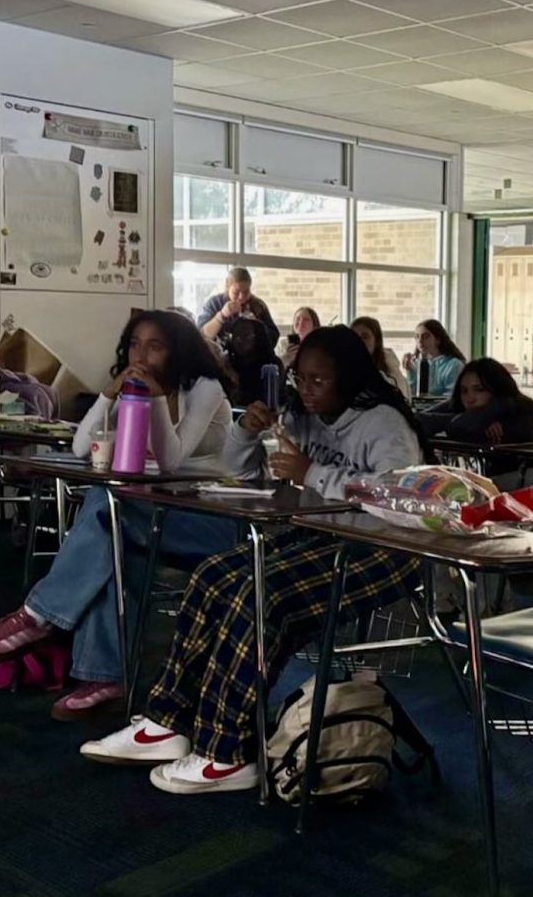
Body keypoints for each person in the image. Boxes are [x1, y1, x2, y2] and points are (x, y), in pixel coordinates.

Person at [77, 326, 426, 794]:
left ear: (349, 379)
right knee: (213, 577)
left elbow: (397, 495)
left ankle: (227, 752)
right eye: (300, 378)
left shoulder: (382, 423)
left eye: (318, 381)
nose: (306, 390)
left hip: (384, 548)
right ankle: (168, 721)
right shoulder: (301, 416)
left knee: (257, 594)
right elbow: (240, 472)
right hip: (320, 537)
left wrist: (312, 472)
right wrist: (245, 432)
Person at [0, 311, 237, 718]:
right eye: (134, 344)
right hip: (157, 514)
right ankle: (103, 675)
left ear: (177, 350)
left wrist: (156, 397)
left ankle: (40, 615)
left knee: (108, 506)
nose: (141, 355)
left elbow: (171, 459)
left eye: (155, 346)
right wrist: (109, 394)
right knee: (111, 534)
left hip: (213, 519)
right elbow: (80, 449)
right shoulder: (134, 390)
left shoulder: (205, 388)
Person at [418, 357, 533, 497]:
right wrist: (480, 420)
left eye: (479, 389)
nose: (470, 398)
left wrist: (479, 419)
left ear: (497, 389)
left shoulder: (520, 408)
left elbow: (458, 427)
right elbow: (419, 420)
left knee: (471, 490)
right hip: (515, 474)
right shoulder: (477, 412)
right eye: (464, 391)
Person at [196, 268, 280, 349]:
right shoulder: (214, 303)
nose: (241, 297)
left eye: (246, 292)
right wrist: (221, 316)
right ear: (227, 287)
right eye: (236, 292)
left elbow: (274, 337)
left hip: (253, 359)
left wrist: (257, 326)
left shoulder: (258, 305)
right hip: (221, 357)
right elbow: (202, 336)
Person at [225, 317, 283, 408]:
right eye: (235, 336)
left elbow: (268, 401)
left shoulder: (271, 366)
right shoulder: (228, 363)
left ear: (259, 338)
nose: (239, 340)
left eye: (246, 336)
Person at [350, 315, 410, 400]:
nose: (359, 341)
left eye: (365, 337)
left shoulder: (391, 370)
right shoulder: (342, 367)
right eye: (354, 336)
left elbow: (402, 401)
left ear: (377, 341)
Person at [403, 319, 466, 397]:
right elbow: (410, 394)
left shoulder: (453, 365)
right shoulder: (416, 364)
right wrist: (410, 372)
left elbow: (452, 397)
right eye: (417, 337)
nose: (420, 340)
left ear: (438, 339)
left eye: (425, 336)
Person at [280, 306, 320, 371]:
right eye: (298, 318)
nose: (301, 322)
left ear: (314, 324)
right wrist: (286, 358)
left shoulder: (320, 346)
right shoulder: (282, 344)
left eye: (306, 319)